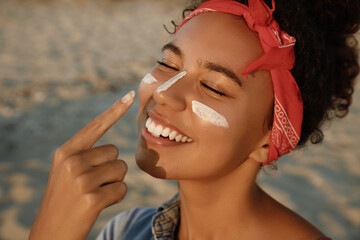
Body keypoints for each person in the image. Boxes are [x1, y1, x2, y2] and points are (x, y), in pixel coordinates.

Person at [29, 0, 360, 239]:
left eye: (213, 87)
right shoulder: (125, 230)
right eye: (169, 65)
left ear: (269, 137)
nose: (164, 94)